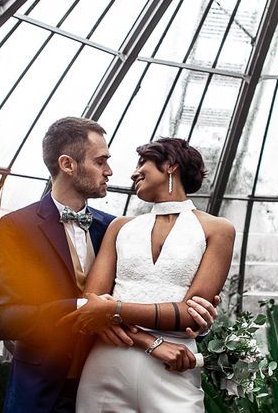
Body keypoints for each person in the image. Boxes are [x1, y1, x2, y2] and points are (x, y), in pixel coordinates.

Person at [0, 118, 218, 412]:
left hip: (105, 376)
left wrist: (194, 314)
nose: (110, 171)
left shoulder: (115, 229)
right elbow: (2, 319)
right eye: (100, 161)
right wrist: (80, 308)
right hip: (40, 391)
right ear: (68, 165)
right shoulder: (18, 228)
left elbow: (135, 300)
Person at [63, 138, 236, 412]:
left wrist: (113, 309)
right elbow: (91, 303)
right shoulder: (119, 227)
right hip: (107, 365)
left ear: (170, 165)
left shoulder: (217, 229)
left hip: (174, 364)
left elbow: (191, 315)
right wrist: (150, 342)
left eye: (142, 162)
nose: (133, 172)